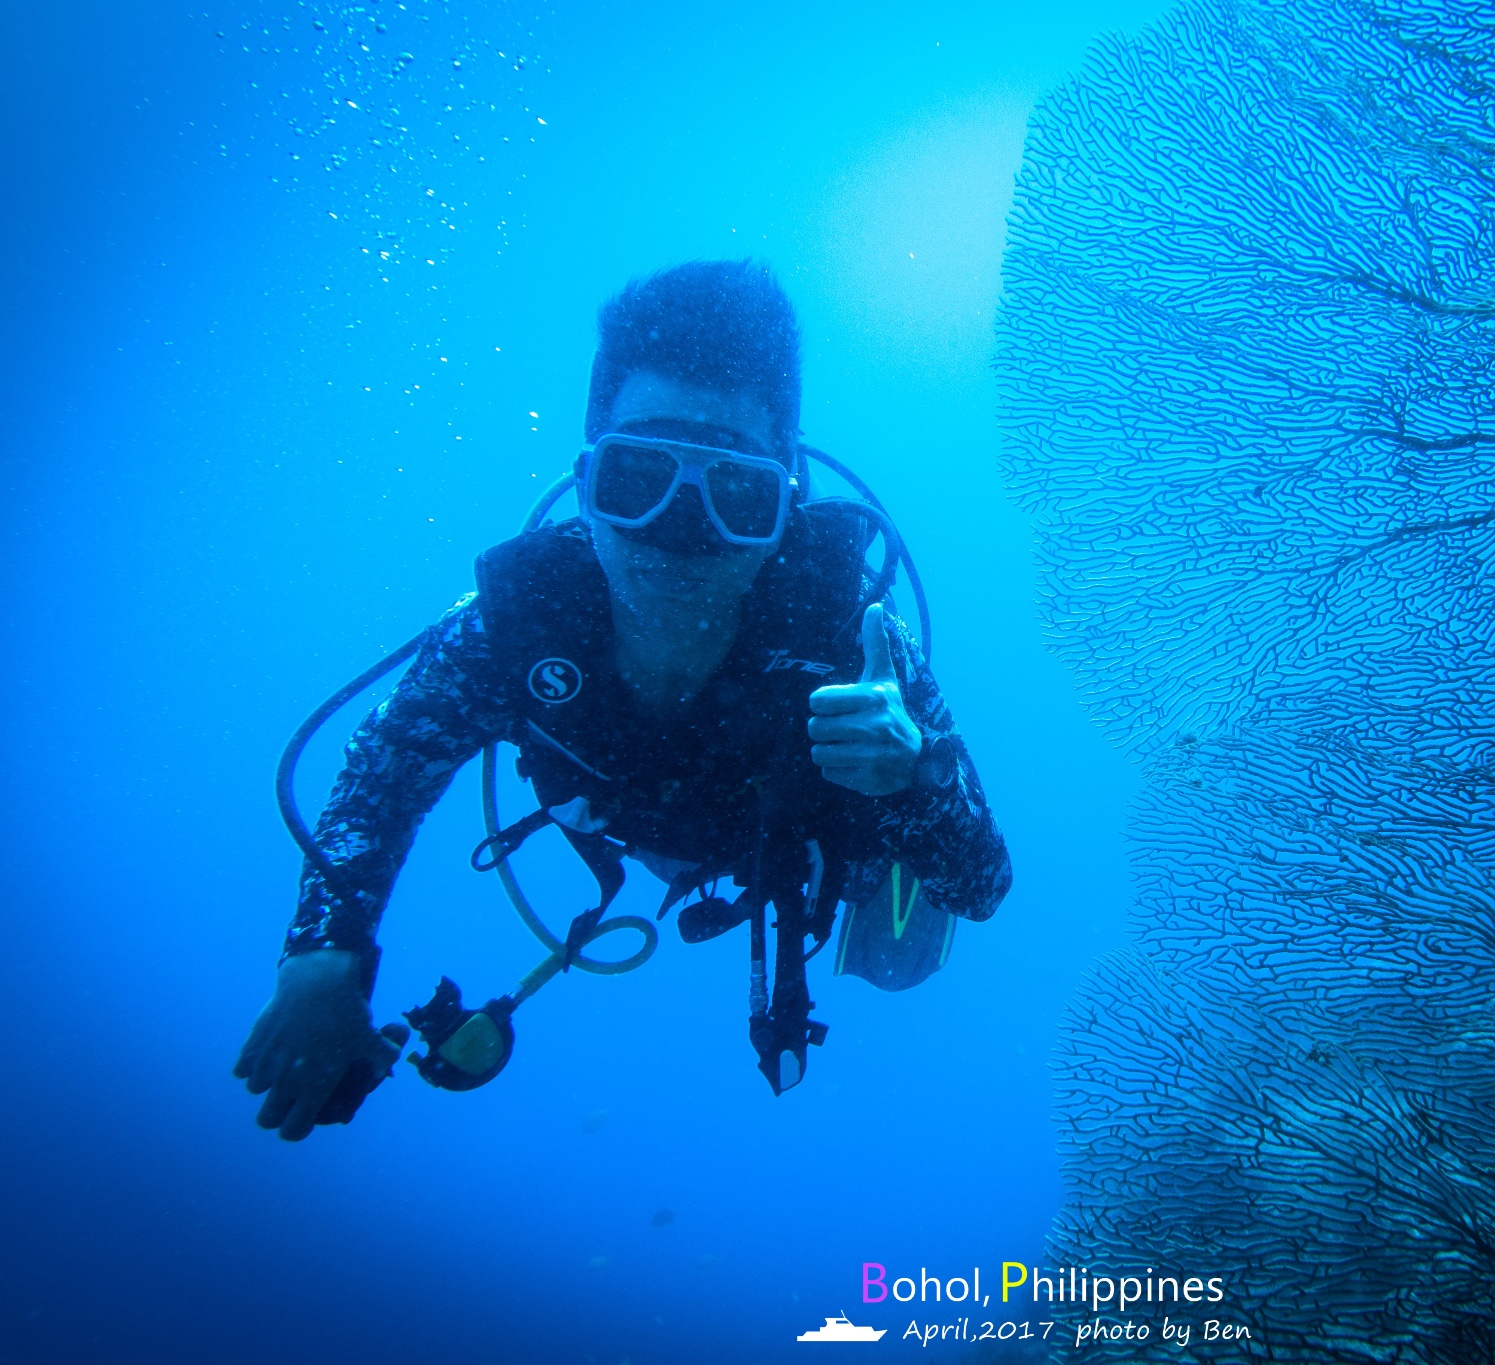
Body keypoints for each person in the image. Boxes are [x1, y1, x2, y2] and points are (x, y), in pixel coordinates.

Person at [234, 261, 1012, 1141]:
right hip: (627, 812)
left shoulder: (854, 640)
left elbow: (984, 882)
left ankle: (873, 870)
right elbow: (385, 769)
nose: (681, 535)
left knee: (899, 939)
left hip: (795, 831)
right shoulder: (513, 626)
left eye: (737, 493)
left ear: (786, 499)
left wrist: (913, 777)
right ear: (585, 479)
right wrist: (323, 957)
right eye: (638, 479)